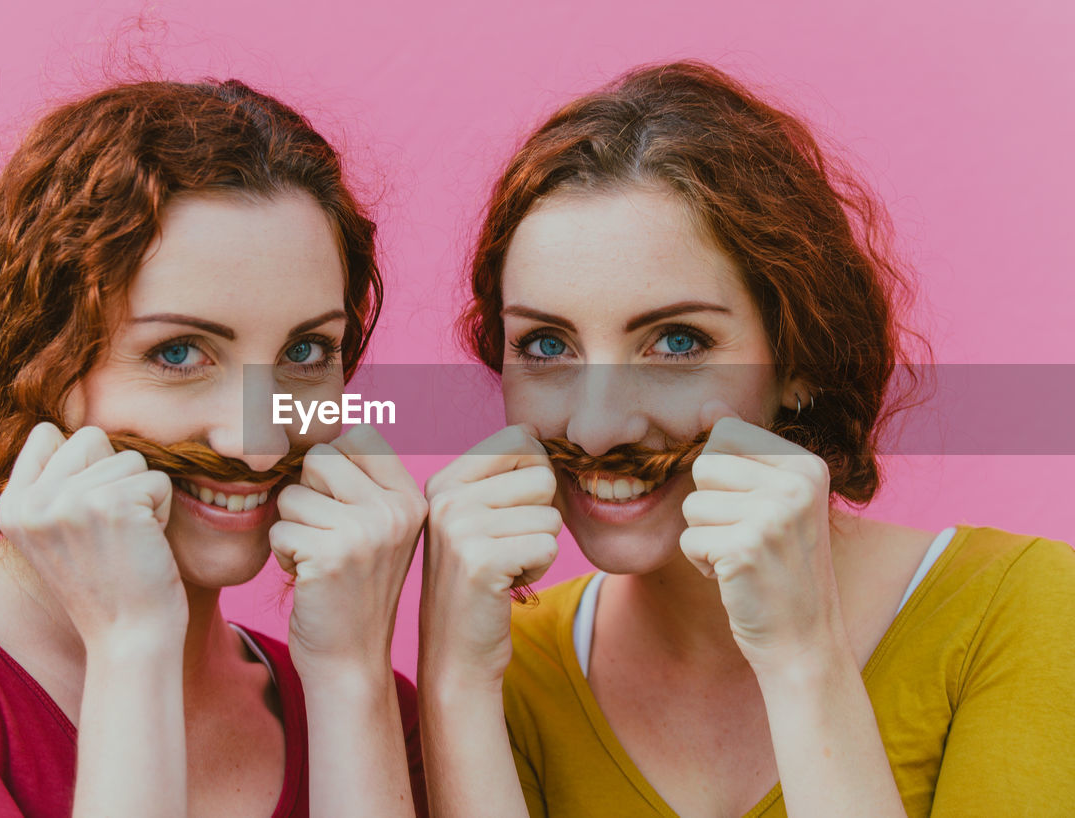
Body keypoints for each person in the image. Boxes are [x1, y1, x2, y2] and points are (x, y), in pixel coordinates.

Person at [419, 60, 1075, 817]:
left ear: (799, 357)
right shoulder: (517, 665)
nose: (598, 427)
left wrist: (805, 663)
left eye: (675, 343)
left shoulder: (1023, 610)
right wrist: (456, 686)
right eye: (545, 346)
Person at [0, 78, 428, 818]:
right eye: (180, 354)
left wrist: (352, 682)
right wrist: (133, 650)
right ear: (39, 366)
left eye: (307, 350)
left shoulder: (374, 710)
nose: (256, 444)